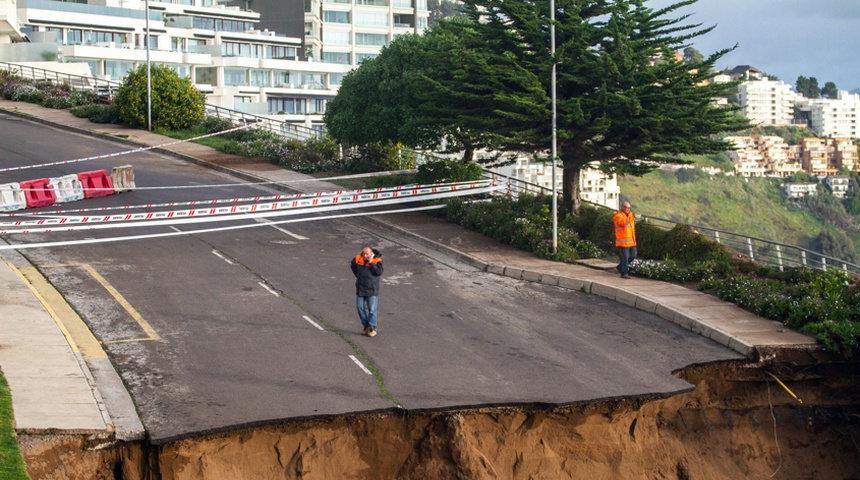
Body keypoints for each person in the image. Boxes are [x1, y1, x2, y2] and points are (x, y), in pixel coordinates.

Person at [350, 246, 384, 337]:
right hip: (361, 288)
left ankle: (372, 327)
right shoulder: (358, 258)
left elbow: (379, 272)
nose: (365, 255)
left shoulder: (377, 261)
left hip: (372, 289)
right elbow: (353, 265)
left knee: (372, 310)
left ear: (371, 253)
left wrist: (371, 262)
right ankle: (366, 325)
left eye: (367, 254)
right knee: (359, 307)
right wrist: (358, 275)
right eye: (363, 253)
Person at [613, 201, 637, 279]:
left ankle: (621, 267)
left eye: (629, 208)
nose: (628, 209)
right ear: (622, 207)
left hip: (631, 241)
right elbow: (623, 222)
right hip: (623, 242)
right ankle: (624, 273)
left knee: (633, 255)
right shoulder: (618, 215)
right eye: (627, 208)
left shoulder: (630, 215)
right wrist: (631, 217)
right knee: (625, 258)